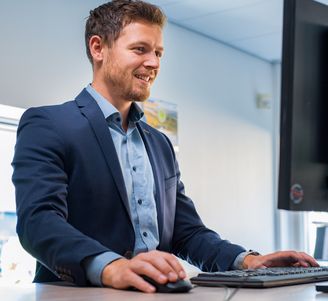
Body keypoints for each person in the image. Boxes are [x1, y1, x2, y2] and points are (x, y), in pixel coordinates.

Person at [12, 0, 318, 294]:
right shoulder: (48, 124)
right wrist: (111, 267)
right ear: (98, 48)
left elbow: (188, 233)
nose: (154, 63)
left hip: (154, 293)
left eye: (158, 52)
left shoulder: (159, 144)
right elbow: (38, 222)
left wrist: (249, 261)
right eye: (140, 49)